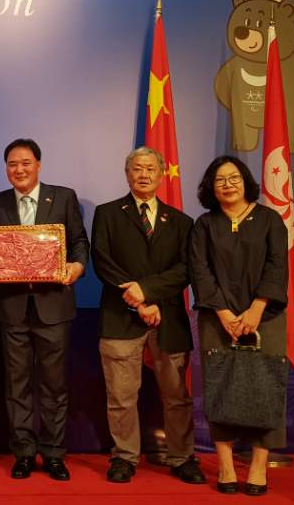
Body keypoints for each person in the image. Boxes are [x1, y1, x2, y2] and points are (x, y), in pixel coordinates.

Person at [0, 138, 90, 481]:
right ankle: (23, 453)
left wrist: (76, 268)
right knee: (17, 385)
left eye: (25, 163)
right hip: (11, 307)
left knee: (54, 385)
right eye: (12, 164)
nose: (19, 169)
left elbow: (79, 242)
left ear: (38, 164)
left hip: (54, 305)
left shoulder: (63, 197)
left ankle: (53, 453)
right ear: (6, 169)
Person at [90, 147, 205, 485]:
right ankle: (124, 457)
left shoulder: (181, 221)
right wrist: (138, 301)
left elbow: (185, 269)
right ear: (127, 173)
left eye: (150, 169)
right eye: (137, 168)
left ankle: (182, 457)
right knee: (121, 397)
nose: (143, 174)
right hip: (120, 315)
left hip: (168, 317)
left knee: (177, 396)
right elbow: (102, 261)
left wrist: (148, 293)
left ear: (161, 174)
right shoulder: (107, 214)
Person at [189, 156, 288, 496]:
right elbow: (199, 270)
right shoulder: (204, 225)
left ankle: (259, 466)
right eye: (219, 180)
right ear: (210, 187)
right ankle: (226, 466)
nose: (227, 184)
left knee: (267, 388)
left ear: (245, 182)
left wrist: (257, 308)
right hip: (218, 318)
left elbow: (277, 266)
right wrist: (223, 313)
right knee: (220, 386)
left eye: (233, 178)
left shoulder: (270, 220)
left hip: (266, 317)